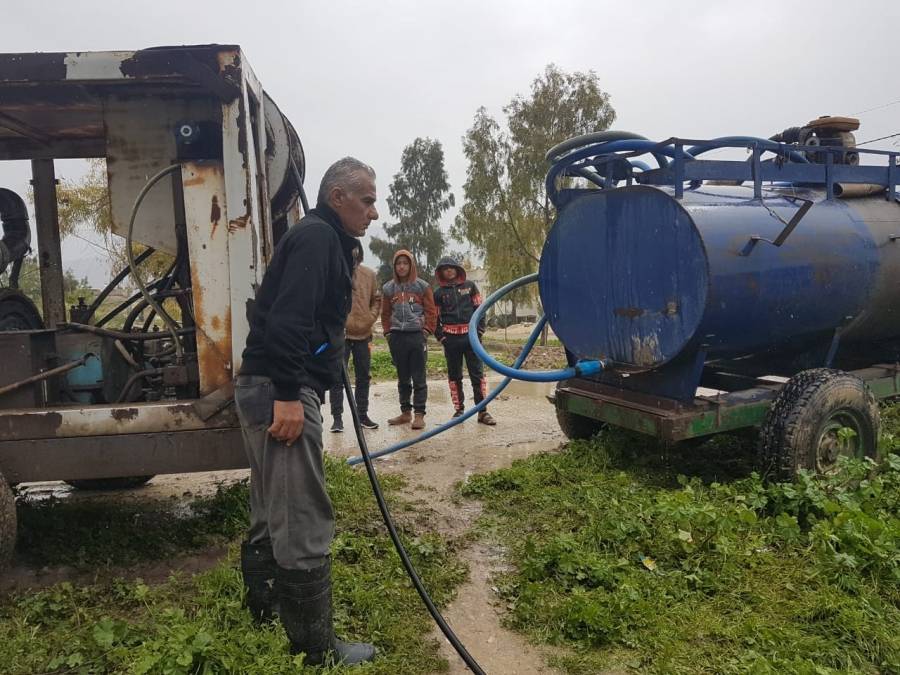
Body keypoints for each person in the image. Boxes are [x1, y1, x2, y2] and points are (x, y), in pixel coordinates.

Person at [234, 157, 378, 666]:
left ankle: (265, 610)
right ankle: (314, 648)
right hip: (281, 387)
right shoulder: (317, 238)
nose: (373, 212)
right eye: (367, 200)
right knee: (301, 512)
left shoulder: (323, 239)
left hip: (263, 384)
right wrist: (291, 394)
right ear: (338, 197)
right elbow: (288, 321)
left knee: (270, 503)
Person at [433, 257, 496, 425]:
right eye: (445, 268)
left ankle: (482, 412)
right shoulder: (438, 293)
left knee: (477, 375)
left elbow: (480, 309)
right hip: (451, 340)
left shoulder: (470, 286)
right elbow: (434, 317)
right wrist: (441, 337)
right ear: (441, 272)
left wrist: (479, 331)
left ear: (457, 269)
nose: (449, 270)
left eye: (451, 267)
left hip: (471, 339)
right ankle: (459, 410)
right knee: (454, 377)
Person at [328, 241, 381, 432]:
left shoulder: (369, 274)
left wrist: (370, 318)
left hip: (363, 334)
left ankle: (362, 415)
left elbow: (376, 300)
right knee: (337, 377)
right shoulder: (335, 273)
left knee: (363, 376)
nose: (353, 254)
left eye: (356, 250)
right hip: (341, 335)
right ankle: (337, 419)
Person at [380, 250, 436, 430]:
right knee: (403, 378)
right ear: (394, 266)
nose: (402, 266)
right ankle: (405, 413)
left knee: (419, 377)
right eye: (398, 263)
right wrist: (388, 333)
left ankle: (419, 415)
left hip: (416, 336)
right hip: (397, 337)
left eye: (405, 263)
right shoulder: (388, 288)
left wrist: (426, 331)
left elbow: (431, 312)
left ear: (411, 265)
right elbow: (385, 314)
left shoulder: (422, 286)